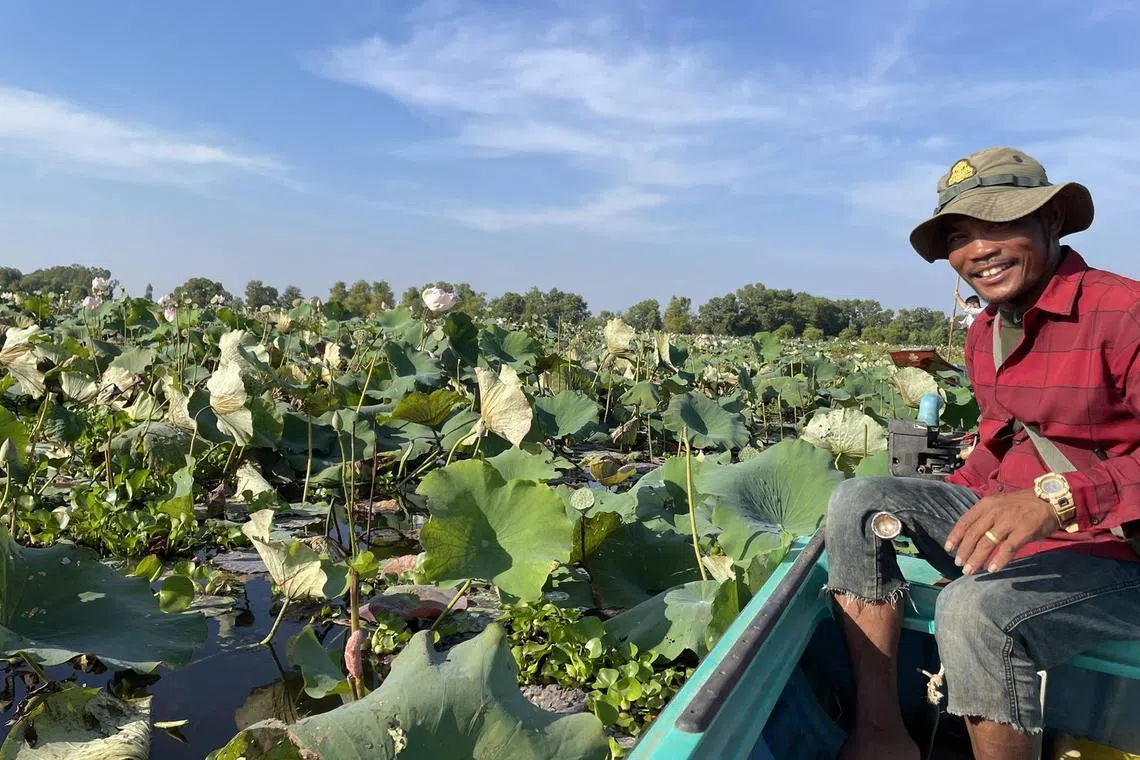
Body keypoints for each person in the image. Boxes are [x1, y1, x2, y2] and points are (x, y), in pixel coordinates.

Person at [824, 146, 1140, 760]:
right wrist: (921, 505)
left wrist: (1058, 499)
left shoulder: (1124, 314)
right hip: (1030, 544)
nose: (979, 251)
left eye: (1001, 224)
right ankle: (882, 737)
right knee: (860, 499)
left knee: (973, 608)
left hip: (1119, 553)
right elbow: (997, 453)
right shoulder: (986, 332)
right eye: (961, 236)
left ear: (1050, 221)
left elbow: (1054, 491)